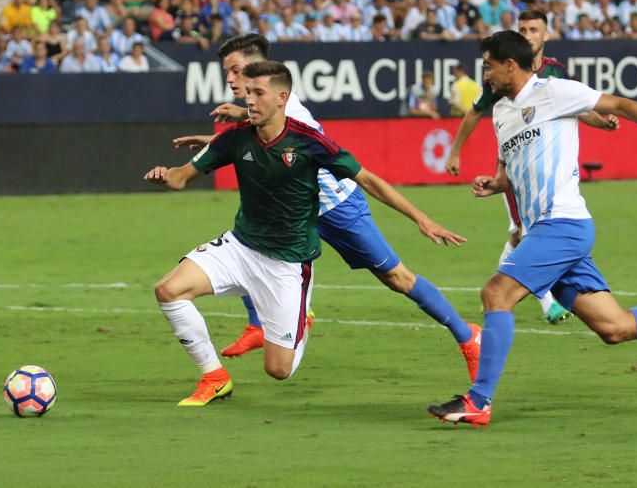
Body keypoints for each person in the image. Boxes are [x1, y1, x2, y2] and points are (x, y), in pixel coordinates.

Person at [427, 31, 637, 428]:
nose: (484, 73)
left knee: (495, 293)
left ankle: (479, 400)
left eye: (488, 65)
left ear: (509, 64)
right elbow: (510, 167)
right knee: (614, 327)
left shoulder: (555, 92)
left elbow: (620, 104)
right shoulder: (501, 113)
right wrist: (496, 183)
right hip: (548, 230)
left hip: (563, 224)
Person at [148, 60, 467, 406]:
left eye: (258, 93)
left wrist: (421, 218)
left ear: (282, 98)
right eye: (248, 93)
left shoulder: (309, 142)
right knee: (168, 290)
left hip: (287, 263)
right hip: (241, 247)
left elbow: (368, 179)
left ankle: (300, 318)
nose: (249, 101)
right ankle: (214, 376)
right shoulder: (235, 139)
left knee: (278, 370)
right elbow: (181, 177)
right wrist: (166, 176)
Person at [444, 9, 619, 324]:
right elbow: (475, 112)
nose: (527, 34)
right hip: (516, 166)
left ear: (546, 35)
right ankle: (541, 301)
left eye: (534, 29)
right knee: (524, 232)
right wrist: (456, 150)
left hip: (553, 173)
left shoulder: (556, 74)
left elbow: (581, 107)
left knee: (522, 237)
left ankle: (511, 293)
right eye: (522, 29)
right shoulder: (498, 75)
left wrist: (602, 123)